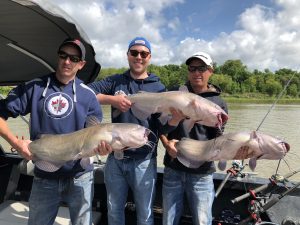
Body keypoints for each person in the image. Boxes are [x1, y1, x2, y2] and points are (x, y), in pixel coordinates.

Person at [0, 38, 110, 225]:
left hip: (80, 176)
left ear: (81, 64)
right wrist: (15, 142)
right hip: (44, 175)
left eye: (74, 58)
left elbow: (94, 135)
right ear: (57, 57)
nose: (67, 61)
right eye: (63, 55)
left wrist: (103, 148)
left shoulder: (89, 96)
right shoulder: (34, 88)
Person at [88, 37, 179, 225]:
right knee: (113, 210)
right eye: (134, 53)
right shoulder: (116, 81)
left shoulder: (158, 88)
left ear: (149, 57)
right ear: (128, 55)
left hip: (144, 161)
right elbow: (86, 92)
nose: (139, 57)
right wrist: (112, 100)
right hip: (115, 158)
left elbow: (161, 127)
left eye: (143, 54)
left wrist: (176, 119)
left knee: (145, 213)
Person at [160, 52, 228, 225]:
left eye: (202, 68)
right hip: (173, 169)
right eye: (192, 68)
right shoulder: (175, 94)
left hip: (202, 174)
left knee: (202, 221)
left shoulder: (218, 104)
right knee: (168, 219)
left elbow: (218, 140)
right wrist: (167, 144)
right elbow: (159, 126)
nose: (197, 72)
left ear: (211, 71)